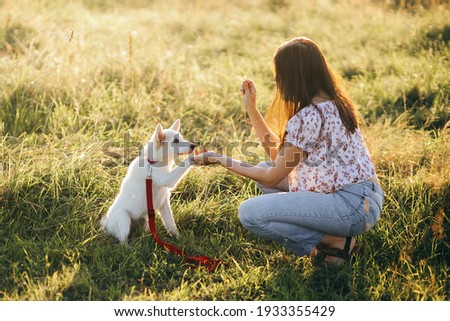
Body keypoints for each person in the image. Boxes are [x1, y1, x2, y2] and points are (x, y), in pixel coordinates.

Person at [191, 37, 384, 265]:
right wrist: (252, 109)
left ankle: (336, 243)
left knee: (250, 213)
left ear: (294, 78)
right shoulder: (335, 103)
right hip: (365, 198)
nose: (278, 85)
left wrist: (217, 158)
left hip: (352, 207)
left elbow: (273, 176)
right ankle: (336, 240)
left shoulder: (310, 116)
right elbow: (278, 161)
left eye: (279, 79)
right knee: (264, 169)